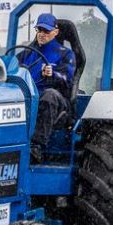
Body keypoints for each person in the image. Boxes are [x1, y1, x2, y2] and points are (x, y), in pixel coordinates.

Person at [20, 13, 75, 163]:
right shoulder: (27, 53)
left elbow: (68, 80)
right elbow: (11, 66)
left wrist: (53, 74)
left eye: (46, 31)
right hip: (30, 96)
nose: (42, 34)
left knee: (49, 95)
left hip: (58, 101)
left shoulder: (66, 54)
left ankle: (35, 147)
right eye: (39, 30)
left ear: (55, 32)